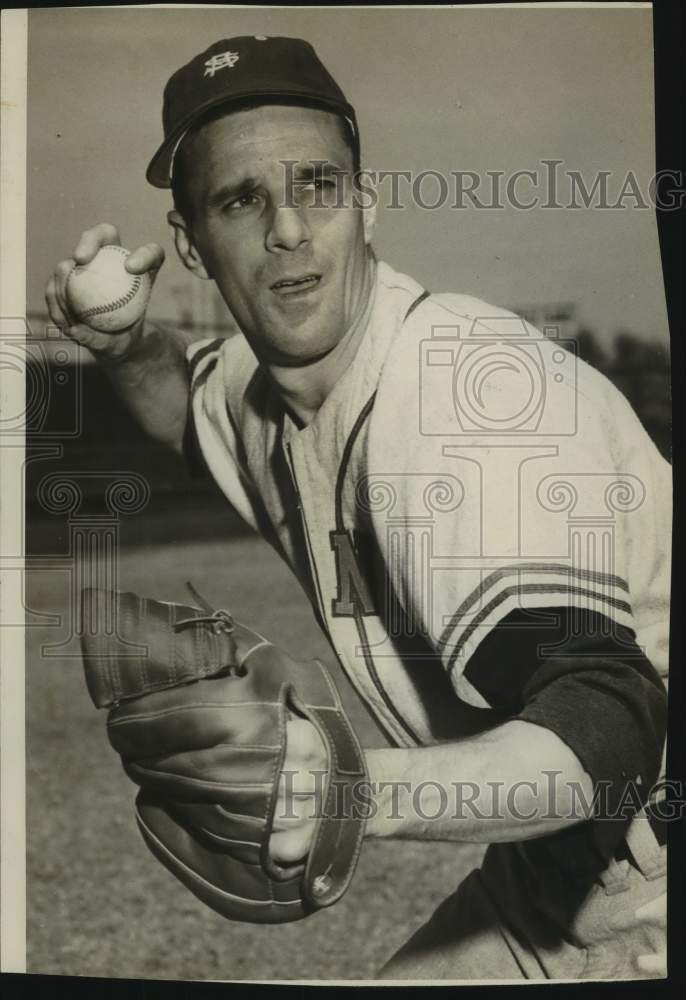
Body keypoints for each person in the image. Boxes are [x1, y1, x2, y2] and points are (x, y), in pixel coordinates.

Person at [46, 35, 670, 980]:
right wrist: (126, 342)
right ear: (189, 244)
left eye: (318, 186)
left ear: (365, 202)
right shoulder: (276, 386)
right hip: (553, 864)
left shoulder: (460, 401)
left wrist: (341, 788)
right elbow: (188, 410)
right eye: (241, 200)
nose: (289, 230)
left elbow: (612, 725)